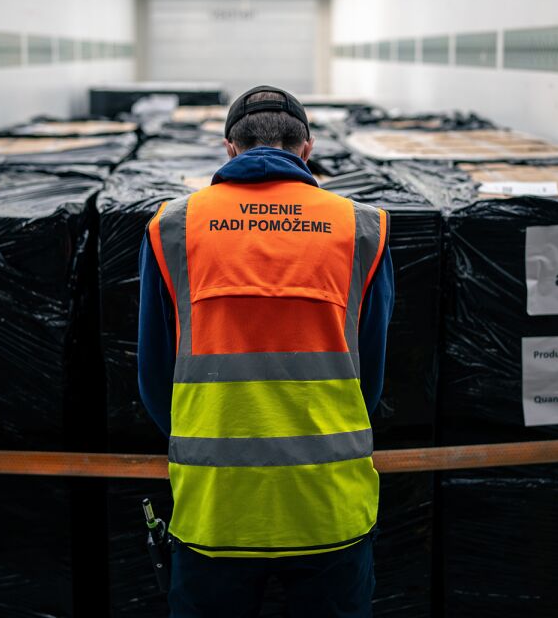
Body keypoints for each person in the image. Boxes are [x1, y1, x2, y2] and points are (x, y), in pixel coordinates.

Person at [136, 86, 395, 618]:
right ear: (308, 148)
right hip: (329, 501)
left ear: (230, 149)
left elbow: (153, 372)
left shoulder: (173, 228)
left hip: (216, 505)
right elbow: (371, 371)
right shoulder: (361, 228)